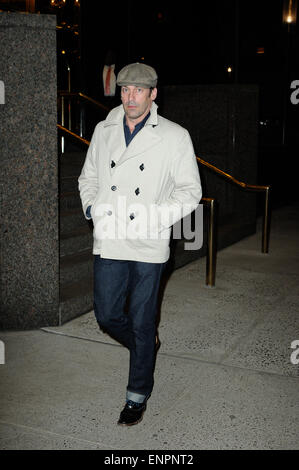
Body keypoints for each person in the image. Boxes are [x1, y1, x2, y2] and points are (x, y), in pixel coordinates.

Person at [78, 62, 202, 426]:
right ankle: (146, 347)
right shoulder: (104, 130)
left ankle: (137, 393)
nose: (130, 97)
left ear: (153, 94)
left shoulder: (175, 136)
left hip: (149, 242)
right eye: (125, 90)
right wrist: (92, 207)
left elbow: (190, 191)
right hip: (111, 236)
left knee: (143, 321)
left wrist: (156, 217)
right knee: (107, 314)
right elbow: (88, 178)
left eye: (138, 91)